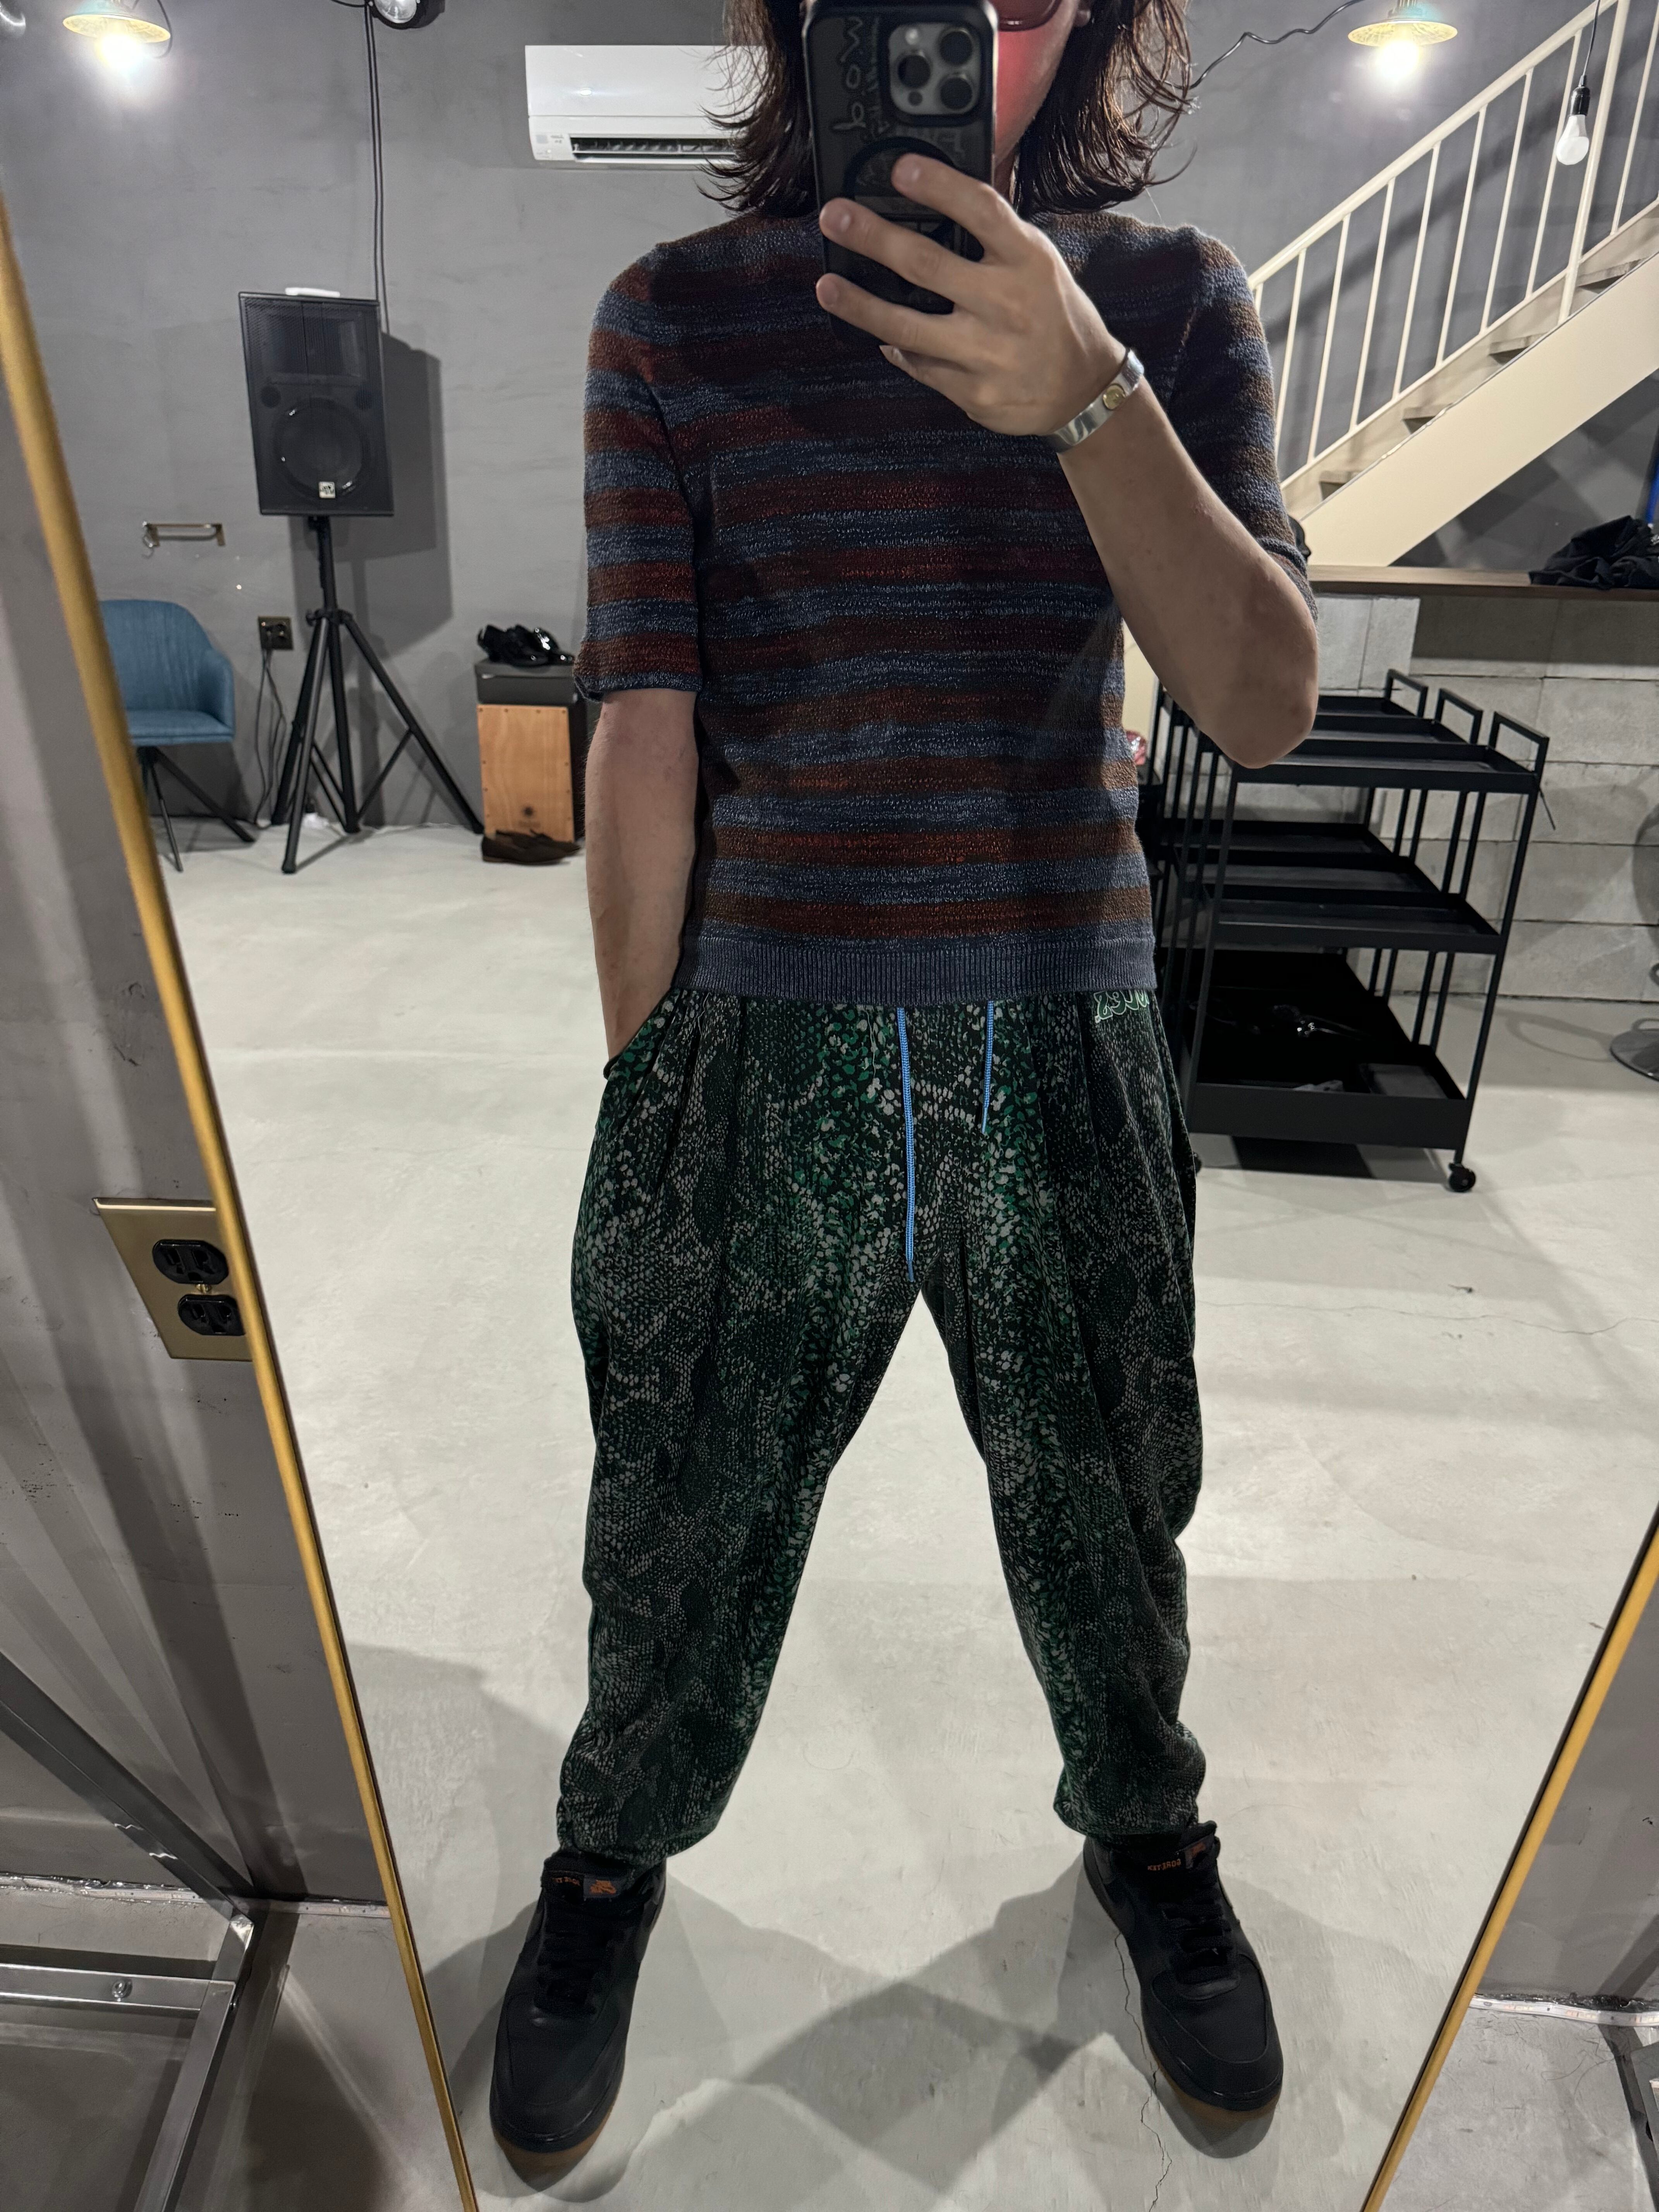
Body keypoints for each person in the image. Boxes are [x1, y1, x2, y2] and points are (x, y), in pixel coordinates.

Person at [491, 0, 1318, 2174]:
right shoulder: (673, 318)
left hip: (1063, 1008)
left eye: (1016, 6)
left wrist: (1090, 398)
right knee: (680, 1503)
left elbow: (1259, 703)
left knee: (1112, 1492)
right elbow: (647, 716)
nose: (968, 39)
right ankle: (609, 1857)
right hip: (763, 1018)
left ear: (1096, 21)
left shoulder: (1171, 303)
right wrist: (648, 1080)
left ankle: (1149, 1835)